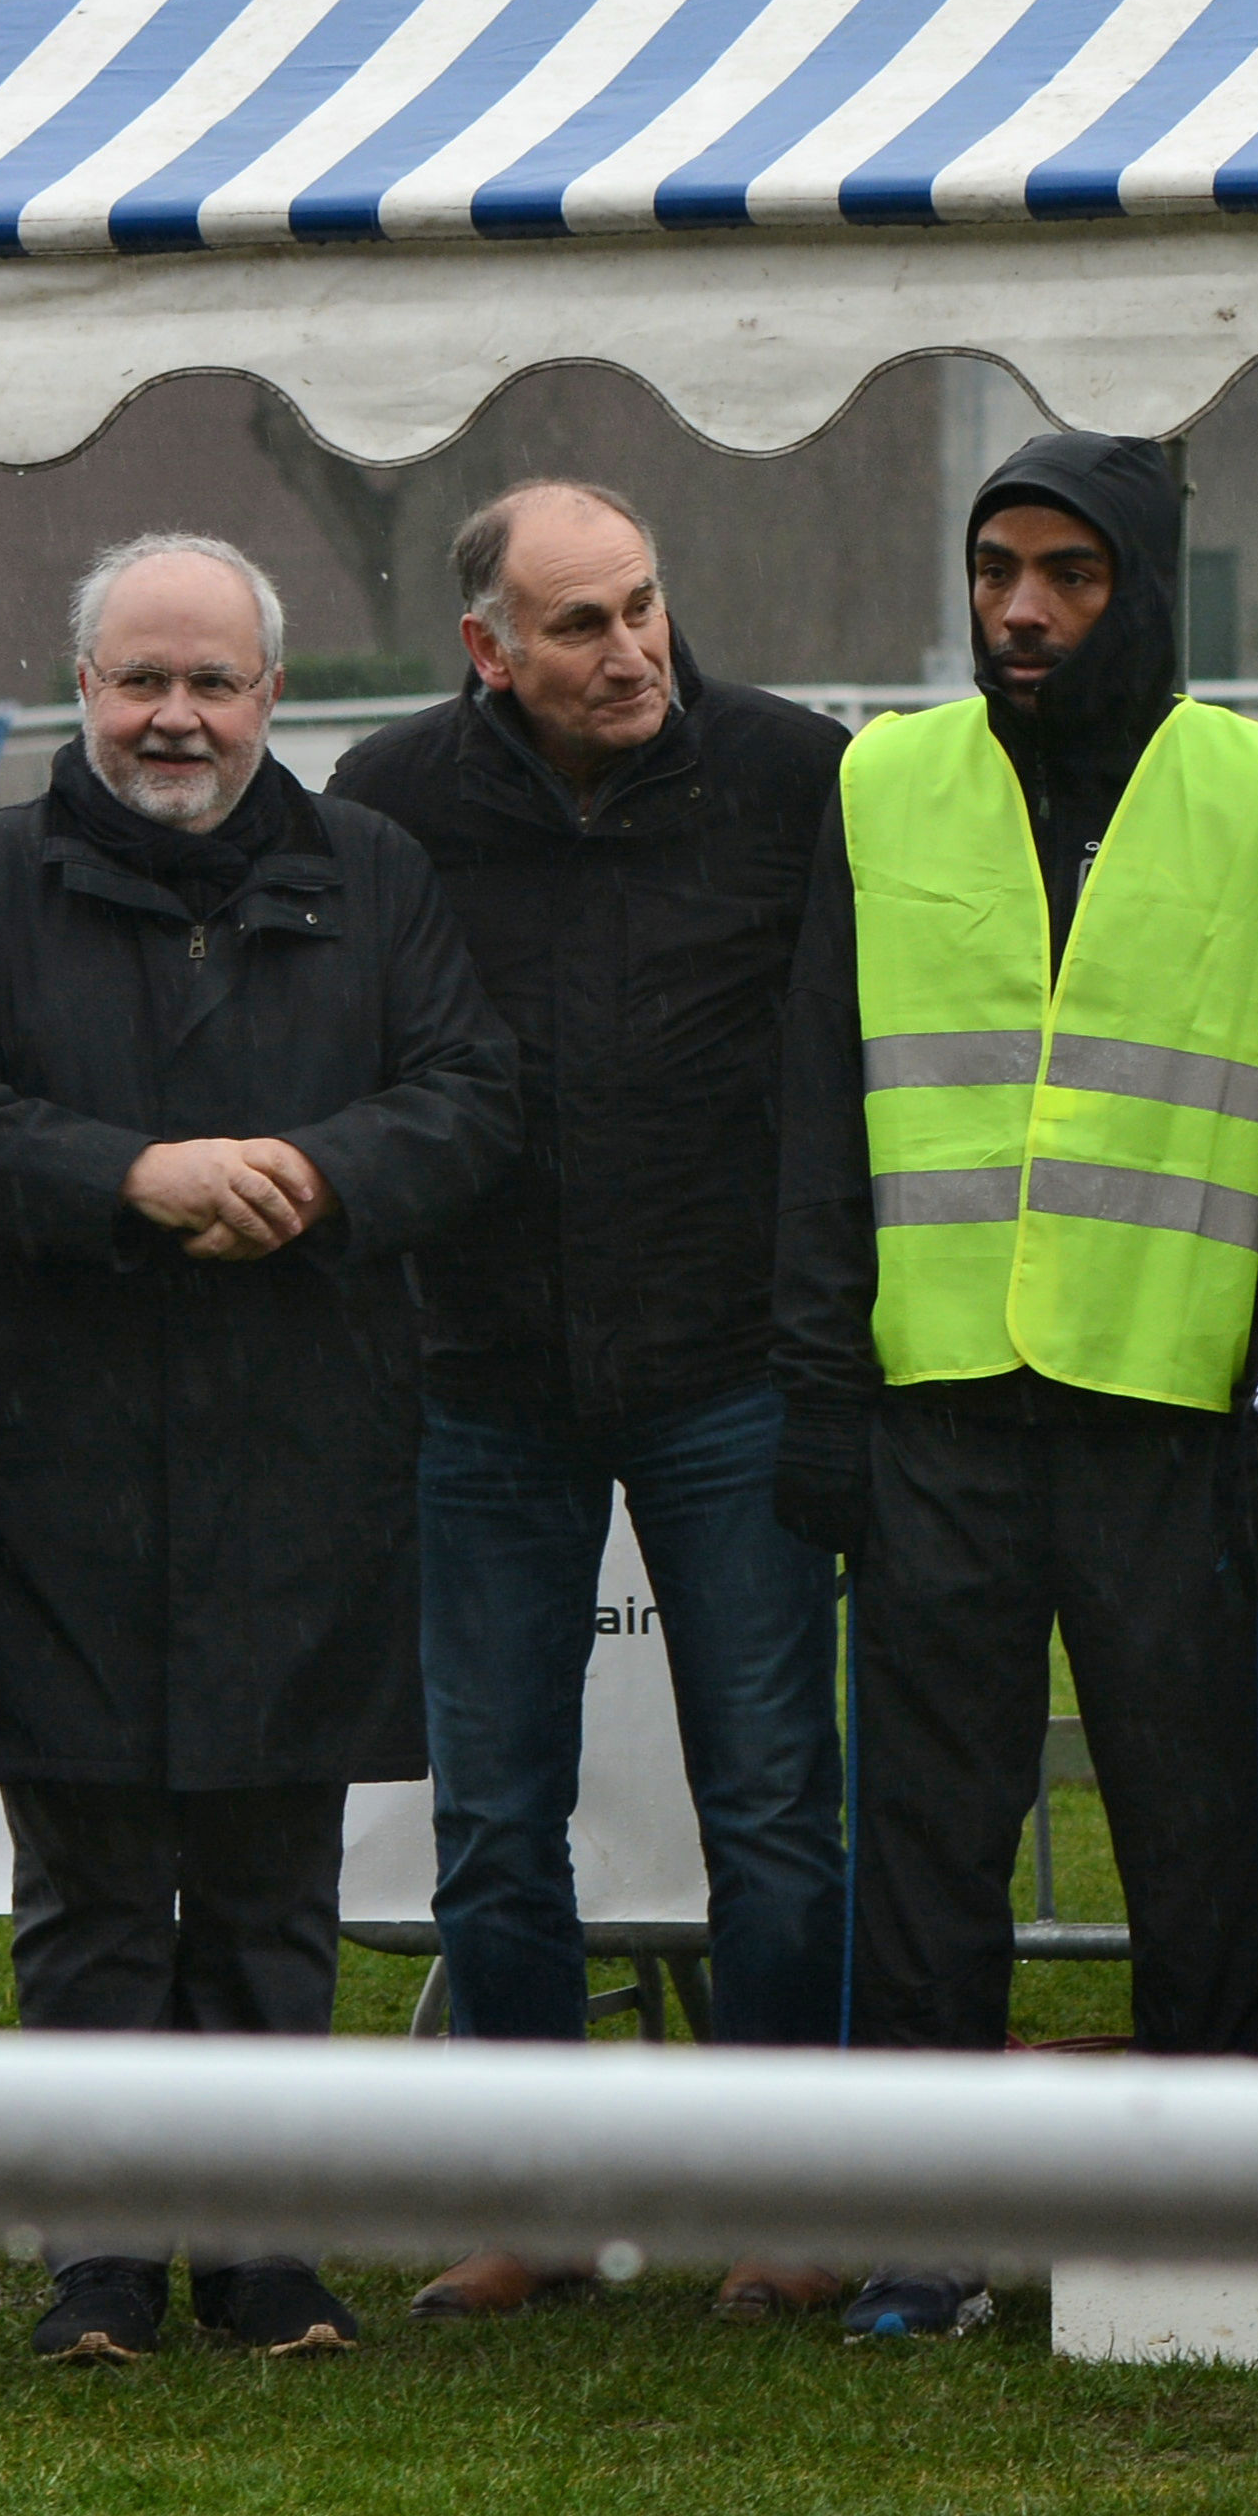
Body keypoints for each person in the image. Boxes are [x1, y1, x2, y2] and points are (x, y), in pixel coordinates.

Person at [0, 532, 521, 2367]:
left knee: (268, 1888)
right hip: (65, 1466)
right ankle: (99, 2261)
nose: (176, 716)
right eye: (141, 680)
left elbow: (469, 1099)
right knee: (89, 1894)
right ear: (83, 688)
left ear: (271, 694)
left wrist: (319, 1173)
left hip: (307, 1453)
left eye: (212, 682)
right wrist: (131, 1178)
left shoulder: (373, 872)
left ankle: (261, 2259)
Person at [770, 432, 1258, 2329]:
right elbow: (818, 1101)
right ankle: (923, 2232)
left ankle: (1205, 2231)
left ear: (1146, 588)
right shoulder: (882, 781)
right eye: (996, 571)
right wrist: (820, 1379)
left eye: (1069, 574)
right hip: (935, 1400)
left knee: (1202, 1839)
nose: (1022, 610)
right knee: (924, 1846)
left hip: (1180, 1412)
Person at [330, 481, 854, 2330]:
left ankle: (797, 2203)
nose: (631, 651)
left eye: (643, 604)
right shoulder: (388, 803)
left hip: (731, 1373)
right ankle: (532, 2206)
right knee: (493, 1817)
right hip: (482, 1382)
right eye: (581, 625)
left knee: (774, 1804)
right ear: (488, 649)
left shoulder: (796, 775)